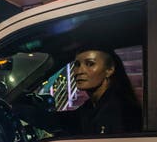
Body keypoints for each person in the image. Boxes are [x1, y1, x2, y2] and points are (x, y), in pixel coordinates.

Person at [14, 48, 142, 135]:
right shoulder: (93, 106)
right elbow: (62, 121)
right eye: (77, 64)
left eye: (90, 64)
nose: (79, 71)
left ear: (109, 70)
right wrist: (17, 109)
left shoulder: (120, 111)